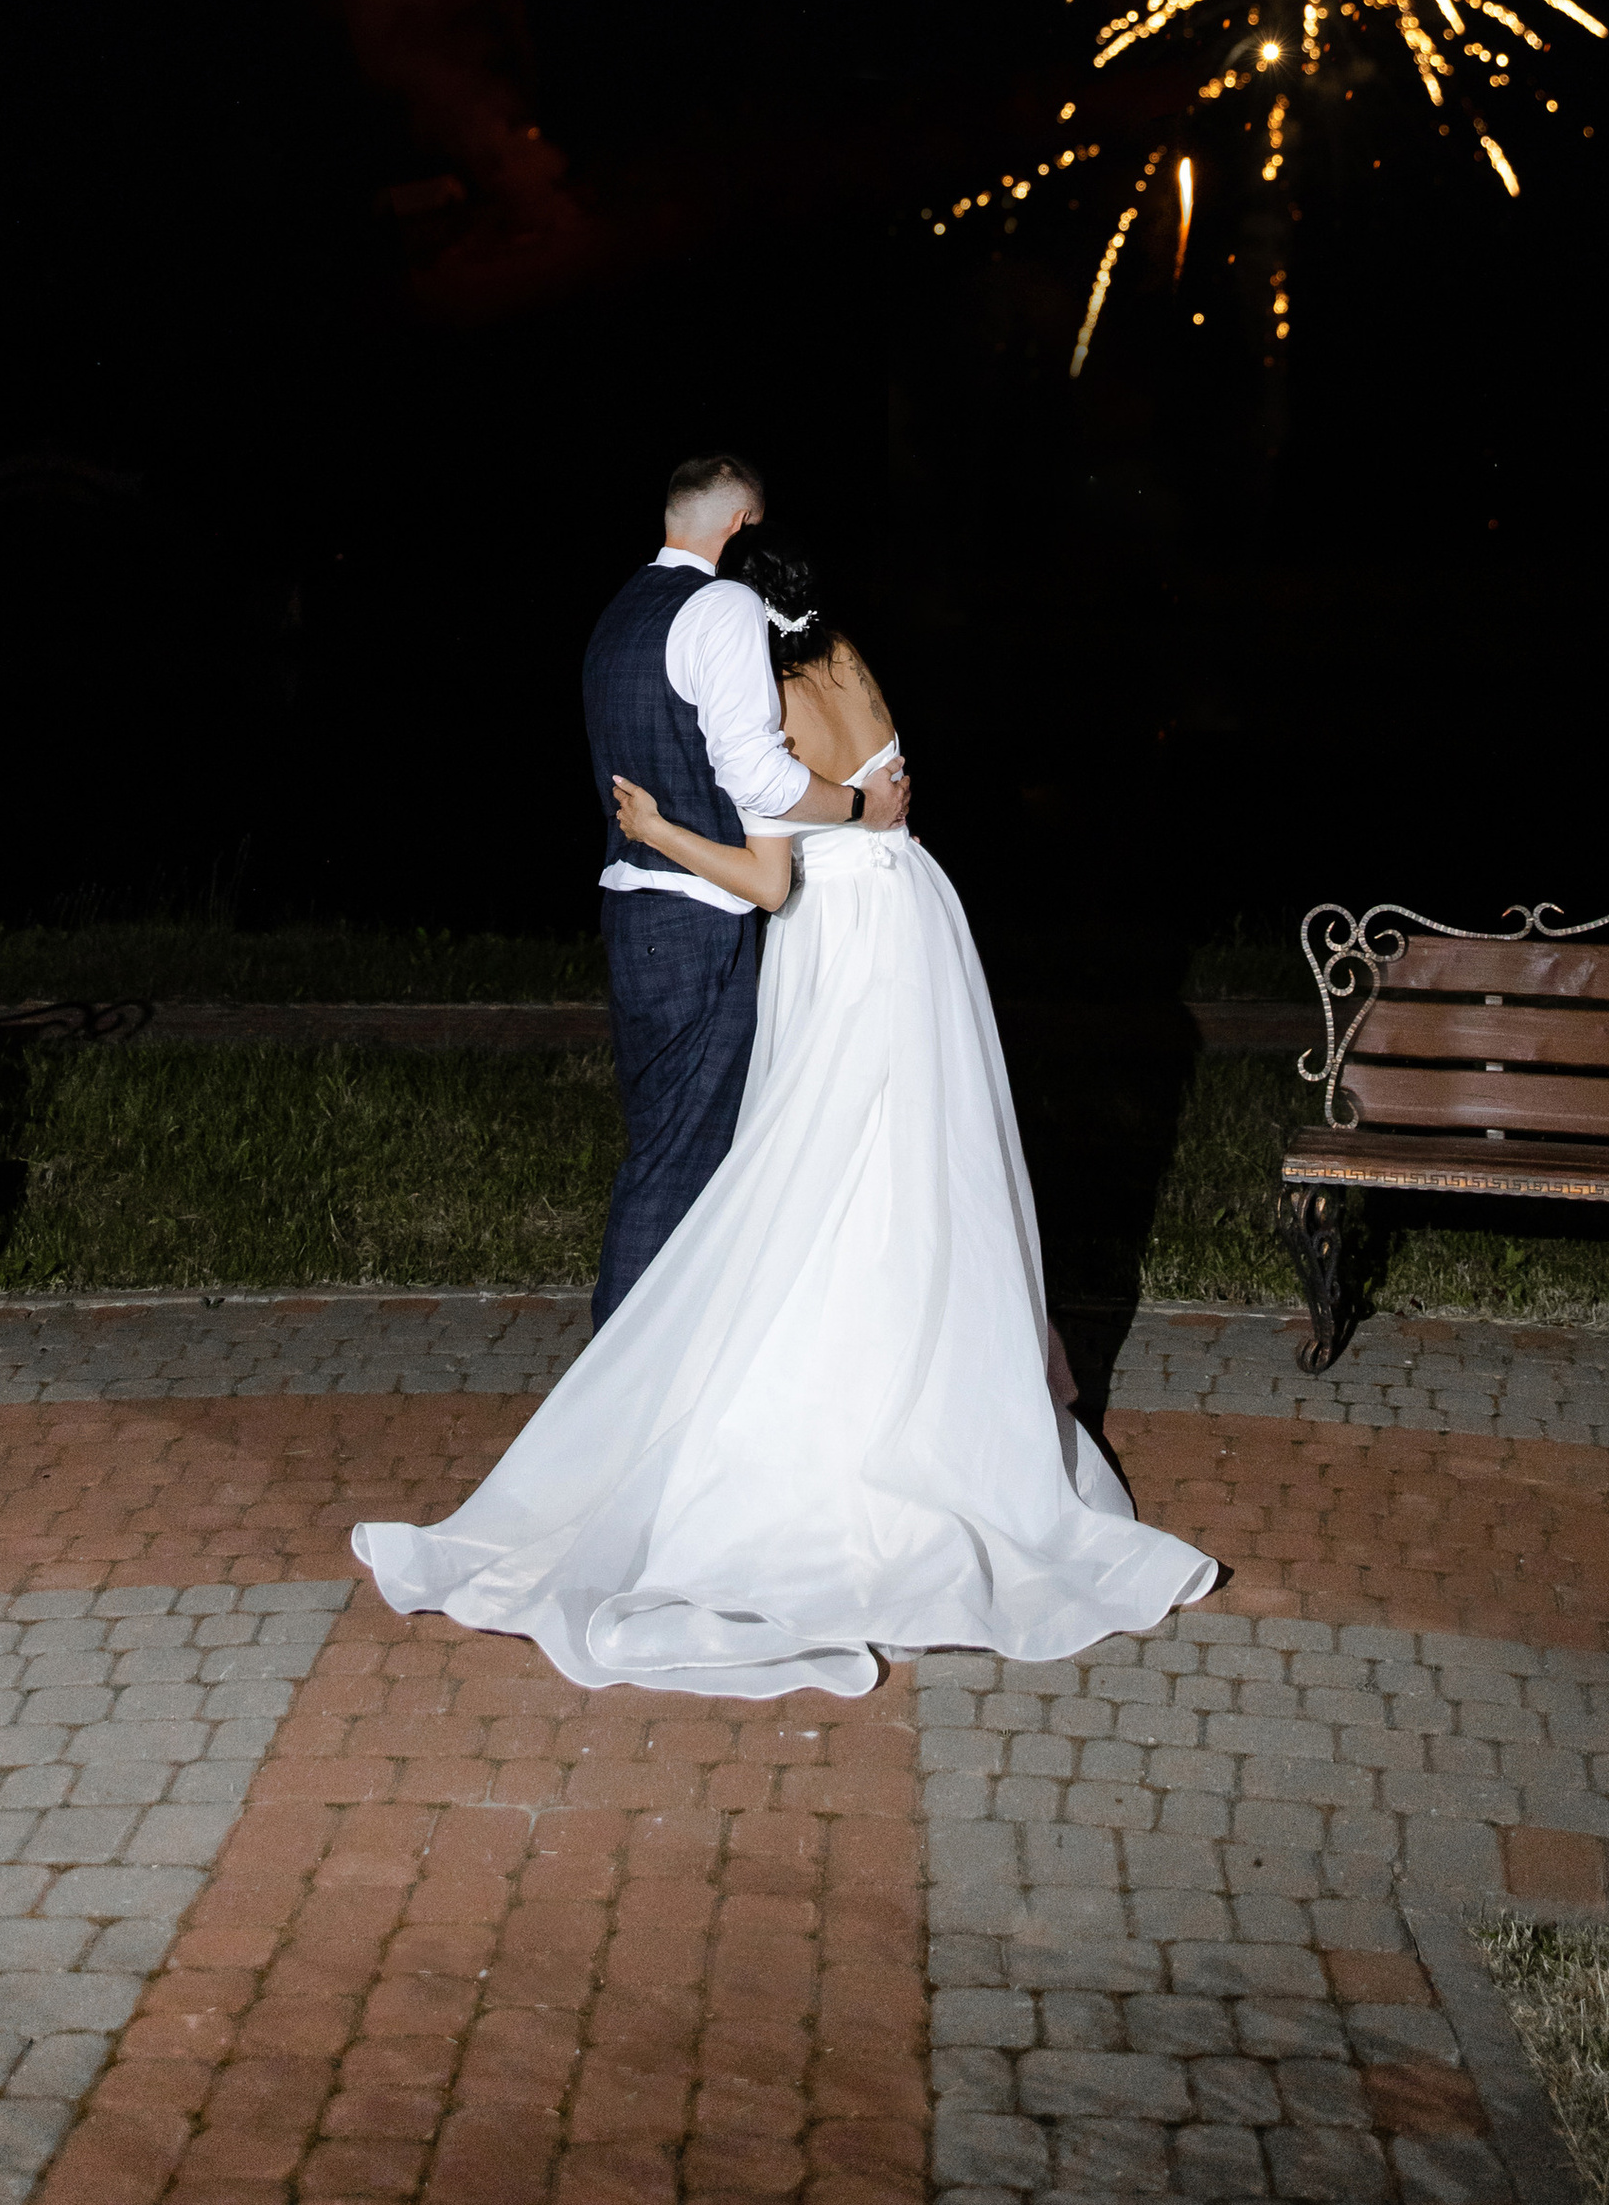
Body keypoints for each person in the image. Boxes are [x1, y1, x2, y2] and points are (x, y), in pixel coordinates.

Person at [350, 524, 1213, 1699]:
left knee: (814, 1162)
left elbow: (768, 877)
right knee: (917, 1156)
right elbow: (885, 799)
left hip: (839, 937)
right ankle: (945, 1388)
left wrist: (657, 828)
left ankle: (831, 1403)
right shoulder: (849, 656)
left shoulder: (768, 697)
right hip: (917, 914)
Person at [576, 451, 907, 1328]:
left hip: (634, 912)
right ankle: (623, 1375)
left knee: (668, 1152)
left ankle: (664, 1355)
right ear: (742, 524)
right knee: (678, 1167)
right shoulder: (723, 606)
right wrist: (860, 806)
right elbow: (758, 778)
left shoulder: (623, 609)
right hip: (701, 921)